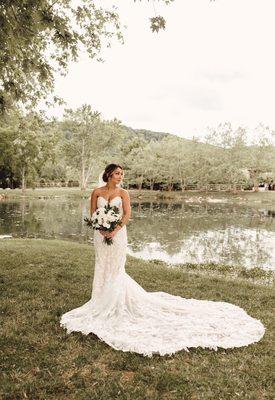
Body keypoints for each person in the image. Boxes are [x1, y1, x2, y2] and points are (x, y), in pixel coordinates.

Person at [60, 163, 265, 357]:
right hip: (100, 235)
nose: (120, 177)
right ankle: (99, 299)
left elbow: (127, 214)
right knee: (102, 264)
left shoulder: (123, 193)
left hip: (118, 234)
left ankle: (115, 300)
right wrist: (101, 228)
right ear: (108, 175)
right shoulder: (96, 192)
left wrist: (115, 230)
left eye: (122, 174)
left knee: (116, 267)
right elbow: (93, 213)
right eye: (117, 174)